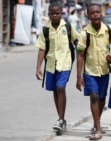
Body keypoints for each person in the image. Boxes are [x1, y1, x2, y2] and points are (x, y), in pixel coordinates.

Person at [76, 4, 111, 140]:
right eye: (92, 13)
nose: (95, 14)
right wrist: (78, 76)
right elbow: (80, 55)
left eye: (97, 12)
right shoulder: (84, 33)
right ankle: (98, 128)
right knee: (94, 96)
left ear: (102, 14)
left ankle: (96, 122)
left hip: (105, 71)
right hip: (90, 71)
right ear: (87, 16)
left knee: (101, 98)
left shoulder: (109, 31)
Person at [35, 2, 79, 131]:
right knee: (55, 90)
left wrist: (81, 55)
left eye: (57, 13)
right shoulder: (45, 30)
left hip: (65, 63)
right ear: (48, 14)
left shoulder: (69, 27)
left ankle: (60, 119)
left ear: (61, 13)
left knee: (61, 87)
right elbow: (42, 49)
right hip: (50, 64)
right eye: (52, 13)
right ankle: (62, 119)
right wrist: (38, 67)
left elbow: (77, 41)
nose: (54, 15)